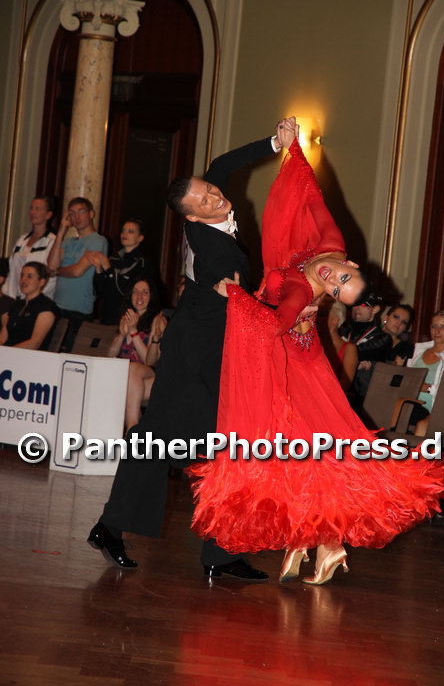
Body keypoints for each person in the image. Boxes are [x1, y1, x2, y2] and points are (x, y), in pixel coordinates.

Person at [189, 127, 444, 586]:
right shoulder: (331, 243)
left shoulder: (300, 292)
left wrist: (237, 296)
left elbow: (273, 325)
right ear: (350, 264)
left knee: (314, 452)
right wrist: (294, 150)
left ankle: (320, 540)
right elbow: (311, 198)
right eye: (341, 278)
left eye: (336, 289)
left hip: (295, 366)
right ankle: (316, 540)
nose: (332, 280)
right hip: (295, 360)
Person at [87, 120, 292, 579]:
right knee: (205, 442)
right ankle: (208, 550)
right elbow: (228, 288)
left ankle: (192, 545)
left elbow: (222, 164)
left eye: (210, 191)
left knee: (192, 442)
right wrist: (243, 297)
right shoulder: (211, 245)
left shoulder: (212, 203)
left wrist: (275, 142)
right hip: (197, 353)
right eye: (204, 200)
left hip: (205, 345)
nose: (215, 197)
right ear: (192, 218)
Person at [47, 197, 108, 352]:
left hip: (78, 311)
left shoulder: (98, 240)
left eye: (81, 212)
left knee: (70, 358)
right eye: (72, 213)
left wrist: (57, 272)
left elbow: (77, 271)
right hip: (57, 307)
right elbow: (51, 265)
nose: (77, 217)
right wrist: (61, 231)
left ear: (92, 213)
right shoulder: (67, 242)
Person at [107, 277, 159, 431]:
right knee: (130, 384)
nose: (139, 296)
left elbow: (149, 360)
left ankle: (131, 428)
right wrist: (122, 335)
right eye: (135, 292)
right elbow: (109, 356)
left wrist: (134, 331)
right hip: (127, 378)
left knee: (132, 369)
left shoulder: (157, 319)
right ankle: (134, 436)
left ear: (151, 296)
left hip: (149, 374)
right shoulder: (126, 317)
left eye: (145, 292)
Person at [405, 310, 444, 437]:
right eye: (434, 326)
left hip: (435, 409)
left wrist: (428, 388)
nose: (437, 331)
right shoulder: (417, 350)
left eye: (443, 327)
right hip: (407, 402)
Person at [92, 219, 152, 324]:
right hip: (105, 317)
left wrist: (108, 270)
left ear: (140, 238)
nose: (124, 234)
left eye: (130, 231)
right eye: (123, 231)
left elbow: (127, 292)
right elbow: (99, 292)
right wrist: (98, 269)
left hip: (126, 320)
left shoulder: (142, 262)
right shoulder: (113, 260)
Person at [3, 196, 57, 300]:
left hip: (36, 301)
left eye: (37, 209)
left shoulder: (52, 242)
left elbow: (52, 277)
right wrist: (6, 292)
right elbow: (12, 269)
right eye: (31, 208)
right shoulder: (22, 239)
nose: (32, 212)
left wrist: (34, 297)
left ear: (48, 215)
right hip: (13, 298)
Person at [0, 262, 58, 349]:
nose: (23, 280)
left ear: (41, 282)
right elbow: (2, 338)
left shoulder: (46, 307)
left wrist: (8, 352)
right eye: (22, 275)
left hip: (28, 355)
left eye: (29, 276)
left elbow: (34, 343)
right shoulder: (16, 305)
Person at [317, 300, 358, 392]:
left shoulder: (349, 349)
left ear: (335, 321)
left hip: (330, 397)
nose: (316, 318)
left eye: (321, 314)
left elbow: (344, 385)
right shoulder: (312, 344)